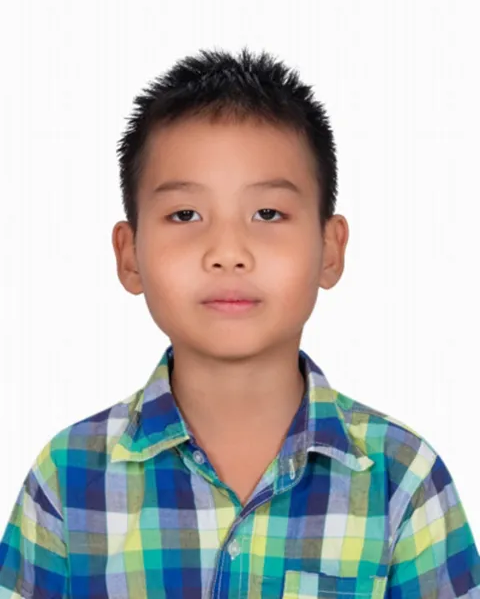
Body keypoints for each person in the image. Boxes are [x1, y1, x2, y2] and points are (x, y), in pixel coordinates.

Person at [0, 47, 478, 599]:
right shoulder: (68, 478)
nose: (228, 252)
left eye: (268, 213)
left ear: (330, 249)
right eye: (185, 214)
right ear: (129, 255)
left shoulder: (402, 478)